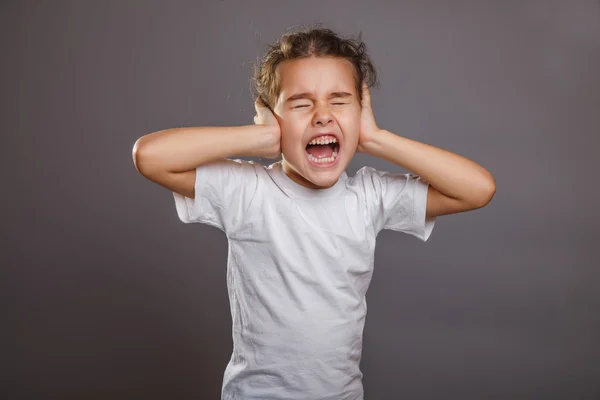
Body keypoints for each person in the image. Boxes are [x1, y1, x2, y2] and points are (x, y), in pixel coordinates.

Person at [133, 25, 495, 400]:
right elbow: (149, 157)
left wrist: (376, 139)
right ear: (273, 117)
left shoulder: (368, 196)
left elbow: (478, 189)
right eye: (302, 103)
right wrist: (258, 138)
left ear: (361, 112)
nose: (322, 116)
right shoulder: (248, 191)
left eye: (339, 101)